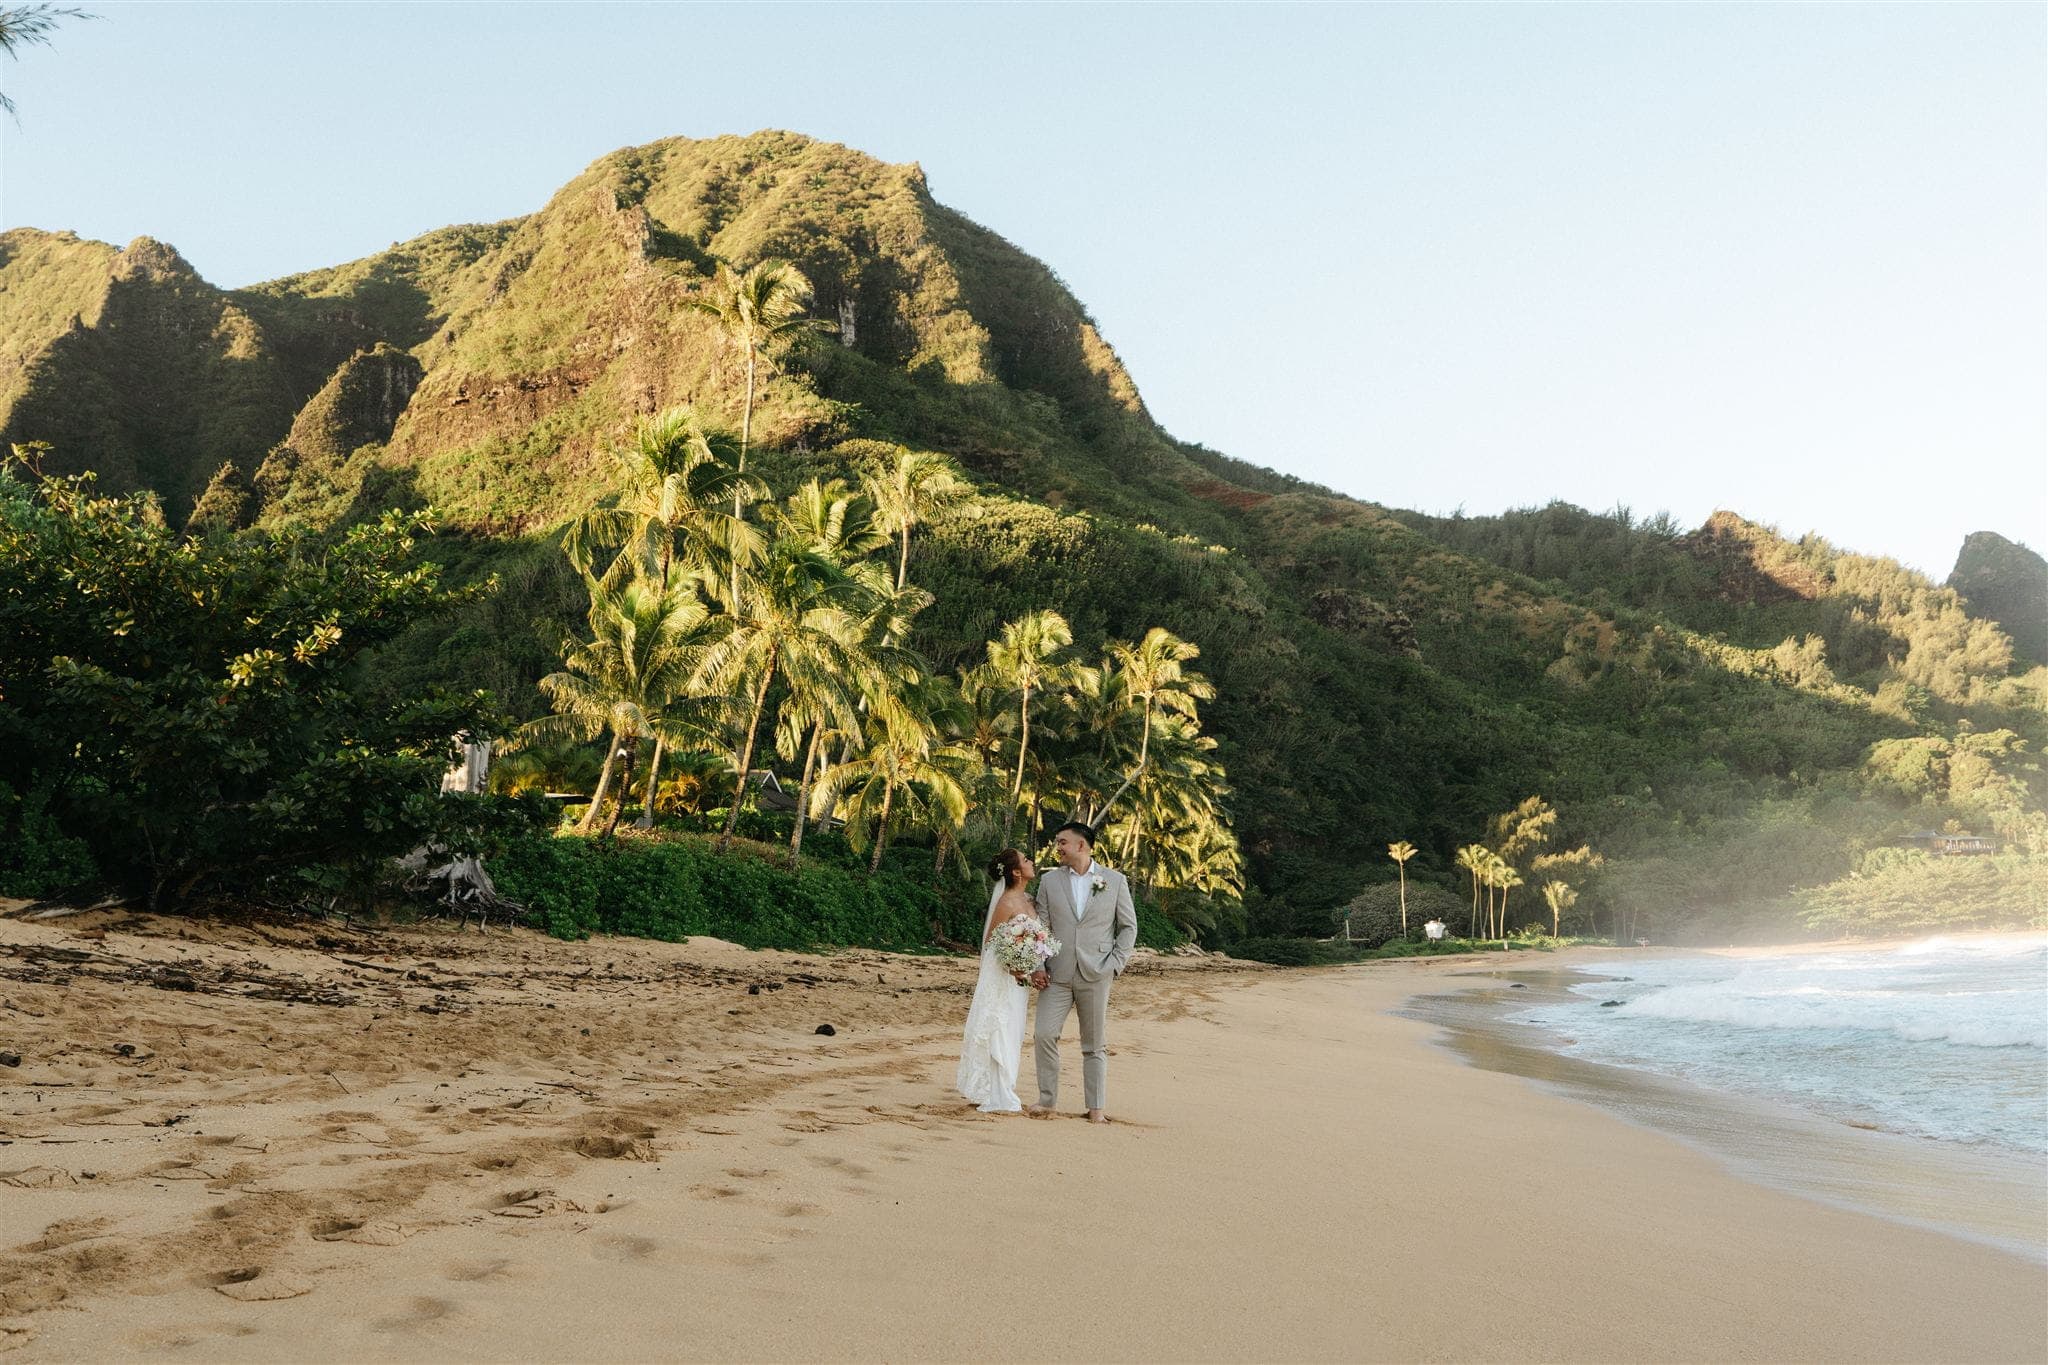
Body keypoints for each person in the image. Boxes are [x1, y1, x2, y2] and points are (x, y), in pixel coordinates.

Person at [1027, 820, 1138, 1124]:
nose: (1057, 847)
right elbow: (1041, 927)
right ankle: (1047, 1101)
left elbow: (1128, 927)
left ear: (1081, 845)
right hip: (1056, 974)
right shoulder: (1050, 882)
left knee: (1094, 1044)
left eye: (1062, 842)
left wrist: (1115, 964)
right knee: (1044, 1034)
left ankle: (1096, 1108)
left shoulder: (1114, 881)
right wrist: (1038, 965)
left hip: (1097, 973)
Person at [955, 848, 1034, 1113]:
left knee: (1013, 1029)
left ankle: (1005, 1086)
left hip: (1020, 977)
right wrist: (1012, 965)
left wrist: (1028, 963)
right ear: (1015, 872)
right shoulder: (1006, 903)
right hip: (1003, 976)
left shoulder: (1028, 901)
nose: (1031, 862)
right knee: (1000, 1028)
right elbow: (992, 942)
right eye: (1025, 860)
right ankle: (997, 1091)